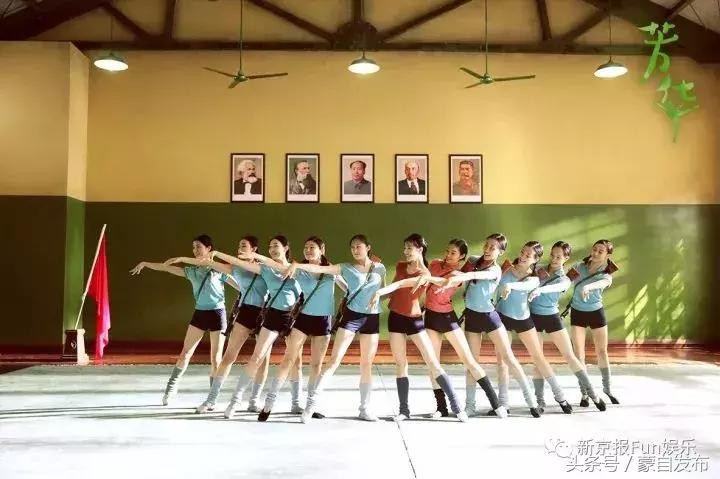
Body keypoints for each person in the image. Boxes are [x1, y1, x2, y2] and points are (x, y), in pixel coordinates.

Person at [165, 235, 275, 414]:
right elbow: (208, 262)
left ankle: (254, 401)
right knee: (228, 357)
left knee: (263, 360)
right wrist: (183, 259)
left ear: (254, 249)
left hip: (264, 314)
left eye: (244, 245)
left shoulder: (264, 268)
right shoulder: (236, 268)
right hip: (245, 312)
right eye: (239, 245)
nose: (240, 248)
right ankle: (211, 399)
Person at [241, 236, 346, 422]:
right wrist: (257, 256)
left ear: (322, 249)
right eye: (306, 247)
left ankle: (310, 406)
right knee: (288, 360)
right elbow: (276, 266)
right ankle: (269, 404)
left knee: (316, 365)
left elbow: (348, 288)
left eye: (312, 247)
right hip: (303, 319)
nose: (308, 250)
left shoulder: (331, 270)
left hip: (323, 321)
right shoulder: (298, 269)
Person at [129, 234, 237, 406]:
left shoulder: (218, 270)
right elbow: (166, 268)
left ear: (209, 249)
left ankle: (212, 397)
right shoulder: (191, 271)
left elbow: (240, 285)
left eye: (199, 247)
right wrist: (145, 263)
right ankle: (170, 390)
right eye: (193, 247)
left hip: (218, 314)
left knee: (216, 359)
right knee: (185, 353)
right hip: (200, 314)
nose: (195, 250)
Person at [288, 234, 386, 423]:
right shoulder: (346, 267)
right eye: (352, 247)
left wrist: (380, 294)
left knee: (367, 364)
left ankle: (365, 409)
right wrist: (297, 265)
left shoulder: (380, 268)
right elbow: (319, 268)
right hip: (352, 317)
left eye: (359, 246)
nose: (355, 250)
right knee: (333, 361)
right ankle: (310, 406)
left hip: (372, 317)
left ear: (368, 247)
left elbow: (383, 290)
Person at [370, 234, 468, 422]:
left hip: (414, 320)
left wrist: (383, 290)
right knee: (401, 364)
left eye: (410, 248)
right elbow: (394, 290)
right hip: (395, 318)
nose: (406, 251)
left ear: (420, 250)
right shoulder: (400, 266)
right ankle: (404, 410)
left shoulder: (425, 274)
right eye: (405, 248)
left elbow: (403, 284)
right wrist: (375, 294)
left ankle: (456, 407)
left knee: (433, 363)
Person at [441, 233, 541, 417]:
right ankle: (470, 406)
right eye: (486, 246)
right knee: (471, 363)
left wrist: (463, 275)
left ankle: (532, 402)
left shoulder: (495, 270)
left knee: (509, 359)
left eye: (492, 248)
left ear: (500, 252)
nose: (487, 250)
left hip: (490, 317)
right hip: (471, 317)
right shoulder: (473, 260)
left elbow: (474, 275)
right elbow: (459, 272)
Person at [410, 239, 506, 418]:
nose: (448, 255)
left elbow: (444, 282)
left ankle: (496, 404)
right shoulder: (435, 263)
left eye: (453, 253)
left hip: (447, 318)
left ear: (461, 256)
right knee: (433, 364)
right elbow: (424, 282)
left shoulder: (458, 274)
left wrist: (428, 278)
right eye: (447, 251)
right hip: (430, 317)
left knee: (469, 361)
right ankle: (441, 408)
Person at [495, 241, 573, 415]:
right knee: (502, 362)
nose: (523, 256)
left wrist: (510, 285)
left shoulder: (535, 277)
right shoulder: (506, 269)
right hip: (502, 318)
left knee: (538, 358)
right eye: (522, 252)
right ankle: (503, 403)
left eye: (528, 255)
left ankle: (560, 397)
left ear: (535, 259)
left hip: (523, 320)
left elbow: (524, 286)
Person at [528, 241, 607, 412]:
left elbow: (558, 287)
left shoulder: (565, 278)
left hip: (552, 317)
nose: (554, 259)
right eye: (553, 255)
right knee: (537, 359)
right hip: (533, 317)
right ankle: (540, 401)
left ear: (566, 258)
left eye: (559, 256)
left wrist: (540, 290)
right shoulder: (537, 269)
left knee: (570, 356)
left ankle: (593, 394)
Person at [567, 239, 619, 406]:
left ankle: (607, 389)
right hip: (577, 312)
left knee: (602, 352)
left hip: (596, 312)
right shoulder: (578, 267)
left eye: (600, 251)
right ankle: (585, 393)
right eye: (594, 249)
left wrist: (587, 287)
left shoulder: (606, 272)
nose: (596, 253)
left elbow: (604, 282)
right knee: (579, 354)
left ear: (607, 255)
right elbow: (564, 281)